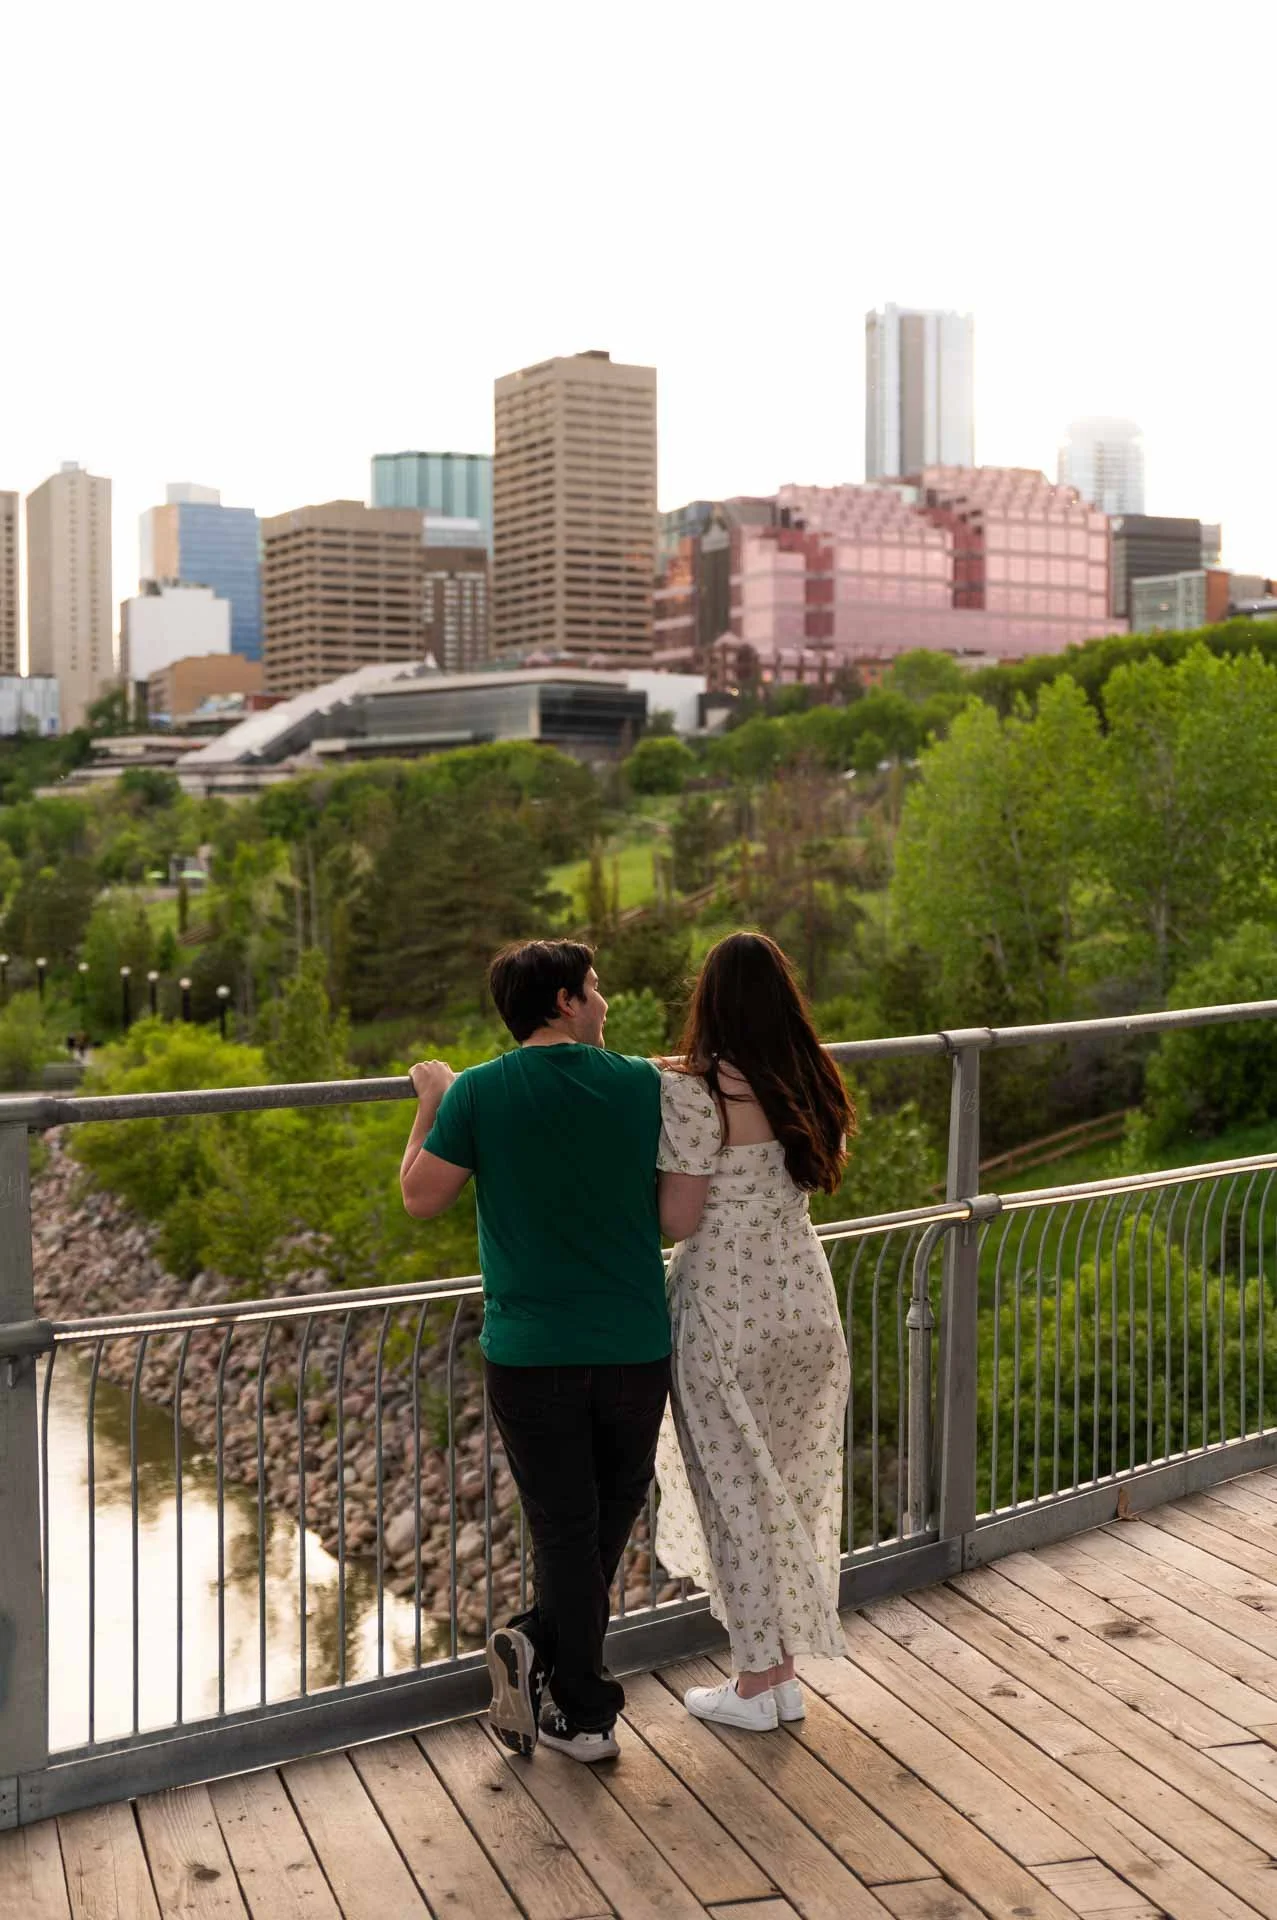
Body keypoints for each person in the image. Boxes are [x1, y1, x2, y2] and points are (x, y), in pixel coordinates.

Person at [399, 939, 669, 1763]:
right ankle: (566, 1689)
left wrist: (432, 1099)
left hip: (531, 1352)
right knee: (605, 1519)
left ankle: (556, 1675)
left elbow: (419, 1197)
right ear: (563, 1002)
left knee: (564, 1529)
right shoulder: (640, 1082)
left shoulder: (479, 1092)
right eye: (595, 988)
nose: (604, 1001)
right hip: (631, 1345)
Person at [654, 931, 853, 1729]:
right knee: (787, 1489)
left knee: (734, 1496)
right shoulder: (809, 1076)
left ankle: (753, 1685)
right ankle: (781, 1679)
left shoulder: (694, 1094)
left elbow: (679, 1218)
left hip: (724, 1308)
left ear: (708, 1000)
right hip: (802, 1302)